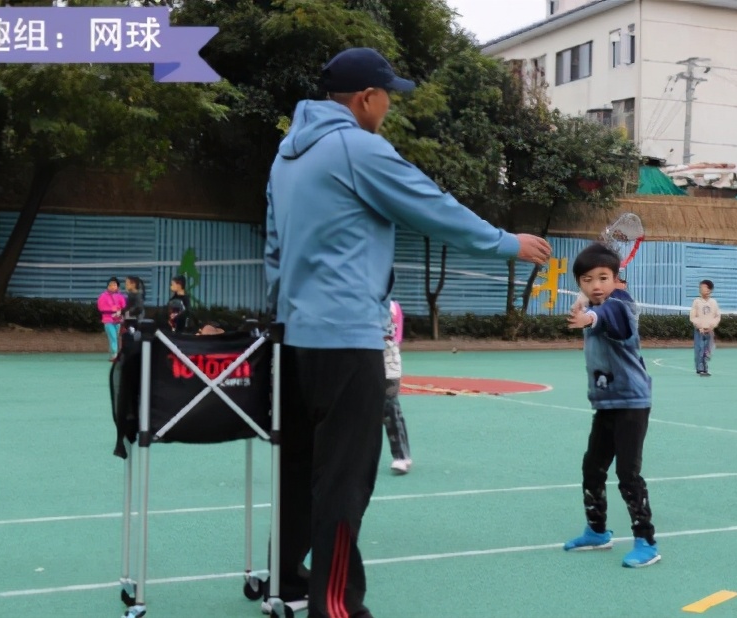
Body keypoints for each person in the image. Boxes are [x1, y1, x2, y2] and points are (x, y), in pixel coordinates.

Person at [264, 47, 551, 617]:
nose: (389, 106)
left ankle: (285, 578)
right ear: (366, 99)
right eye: (387, 95)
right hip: (347, 339)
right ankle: (336, 605)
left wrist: (284, 319)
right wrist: (505, 244)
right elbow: (431, 206)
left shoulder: (285, 158)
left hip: (293, 338)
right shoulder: (358, 148)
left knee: (299, 466)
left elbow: (274, 250)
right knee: (345, 479)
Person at [563, 243, 660, 568]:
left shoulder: (620, 304)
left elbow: (605, 316)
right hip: (607, 403)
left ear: (617, 279)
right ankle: (597, 530)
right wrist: (587, 307)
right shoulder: (593, 301)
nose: (596, 285)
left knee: (627, 474)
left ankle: (646, 540)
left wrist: (588, 315)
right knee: (593, 467)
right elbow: (593, 307)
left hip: (632, 401)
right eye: (587, 279)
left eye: (603, 277)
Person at [384, 300, 412, 475]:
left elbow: (397, 337)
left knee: (389, 405)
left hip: (389, 361)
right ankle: (404, 452)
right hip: (365, 358)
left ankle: (400, 455)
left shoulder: (393, 307)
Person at [689, 280, 720, 376]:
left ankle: (705, 367)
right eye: (701, 288)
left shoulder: (713, 302)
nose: (702, 290)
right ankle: (700, 368)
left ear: (710, 290)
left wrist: (712, 326)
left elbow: (717, 316)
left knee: (708, 350)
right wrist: (699, 326)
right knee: (699, 349)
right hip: (699, 331)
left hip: (709, 330)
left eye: (704, 288)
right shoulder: (697, 302)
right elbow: (693, 317)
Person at [97, 277, 126, 361]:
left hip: (118, 320)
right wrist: (112, 310)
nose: (112, 286)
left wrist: (120, 312)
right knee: (113, 336)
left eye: (114, 285)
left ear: (118, 286)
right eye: (110, 285)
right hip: (108, 320)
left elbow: (124, 307)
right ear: (107, 286)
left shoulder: (121, 297)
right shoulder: (102, 296)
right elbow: (101, 307)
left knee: (115, 337)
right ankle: (114, 355)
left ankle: (113, 354)